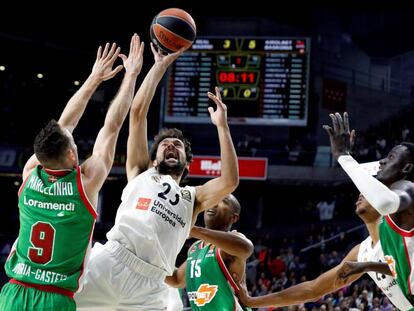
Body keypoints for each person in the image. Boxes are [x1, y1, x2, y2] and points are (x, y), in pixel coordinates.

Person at [75, 43, 239, 310]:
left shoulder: (193, 198)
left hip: (152, 286)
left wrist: (222, 126)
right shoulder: (141, 171)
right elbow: (138, 113)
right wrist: (159, 65)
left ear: (187, 165)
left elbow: (229, 181)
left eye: (178, 145)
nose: (171, 145)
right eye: (166, 144)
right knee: (58, 304)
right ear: (154, 158)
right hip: (112, 263)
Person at [0, 34, 144, 311]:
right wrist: (131, 76)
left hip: (14, 292)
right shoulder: (86, 183)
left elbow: (65, 125)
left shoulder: (30, 172)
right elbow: (111, 127)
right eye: (74, 144)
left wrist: (93, 78)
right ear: (70, 154)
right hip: (55, 298)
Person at [234, 195, 414, 311]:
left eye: (367, 192)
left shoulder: (402, 232)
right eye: (359, 193)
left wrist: (367, 266)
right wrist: (252, 301)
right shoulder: (362, 251)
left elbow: (406, 268)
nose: (360, 194)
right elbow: (312, 289)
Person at [323, 112, 414, 303]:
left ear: (406, 169)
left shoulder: (408, 188)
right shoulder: (390, 221)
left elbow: (385, 202)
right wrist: (367, 266)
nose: (382, 161)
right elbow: (398, 266)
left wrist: (343, 157)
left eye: (390, 157)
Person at [166, 194, 253, 310]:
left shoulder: (234, 240)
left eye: (223, 201)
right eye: (213, 199)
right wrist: (149, 257)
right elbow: (177, 279)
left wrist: (193, 230)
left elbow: (247, 248)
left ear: (234, 217)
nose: (214, 203)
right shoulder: (195, 248)